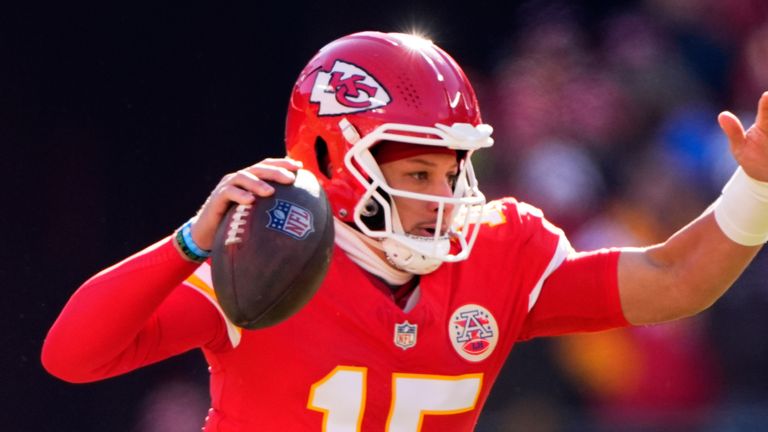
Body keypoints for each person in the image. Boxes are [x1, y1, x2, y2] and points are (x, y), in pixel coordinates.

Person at [41, 31, 768, 431]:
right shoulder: (264, 254)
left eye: (451, 170)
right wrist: (190, 244)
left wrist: (757, 185)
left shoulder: (499, 250)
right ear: (328, 157)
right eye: (417, 173)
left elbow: (677, 281)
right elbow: (73, 357)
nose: (443, 195)